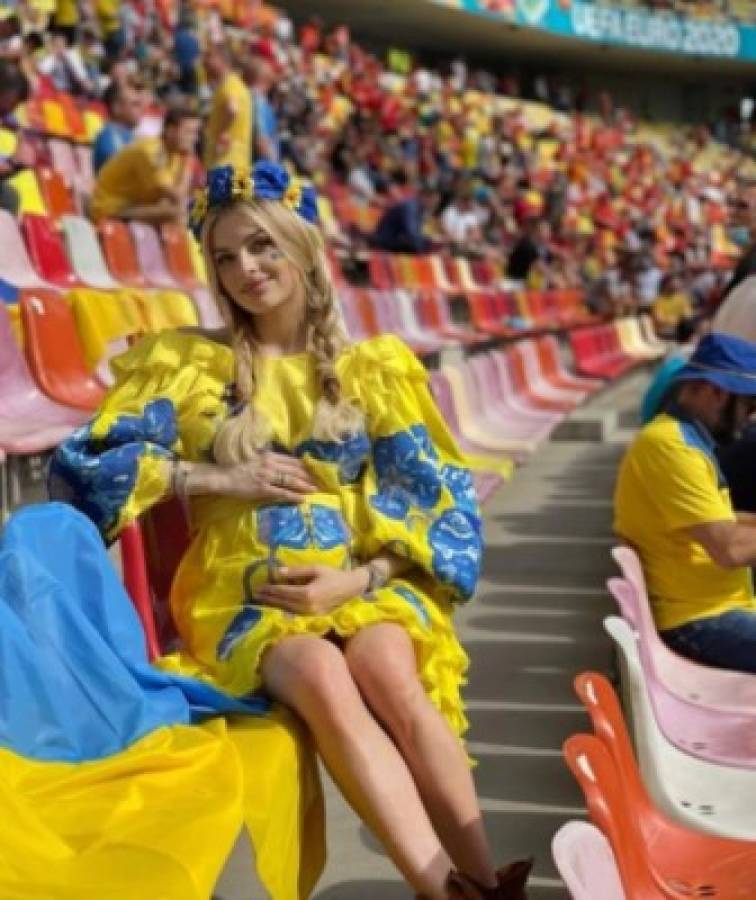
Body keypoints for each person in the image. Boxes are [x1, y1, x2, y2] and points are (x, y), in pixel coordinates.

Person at [50, 160, 532, 900]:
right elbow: (81, 469)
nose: (246, 269)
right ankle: (444, 891)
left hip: (354, 580)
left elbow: (441, 506)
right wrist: (212, 477)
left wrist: (358, 579)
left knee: (388, 671)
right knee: (321, 676)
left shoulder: (372, 370)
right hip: (244, 593)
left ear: (303, 248)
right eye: (225, 257)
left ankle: (491, 883)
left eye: (262, 246)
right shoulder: (188, 365)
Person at [614, 332, 756, 673]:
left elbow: (719, 521)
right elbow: (729, 550)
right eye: (750, 404)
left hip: (715, 610)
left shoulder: (681, 441)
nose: (750, 417)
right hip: (699, 621)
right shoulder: (671, 448)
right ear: (715, 392)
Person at [90, 104, 200, 224]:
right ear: (170, 131)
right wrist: (189, 160)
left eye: (196, 133)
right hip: (108, 207)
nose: (194, 139)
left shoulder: (176, 155)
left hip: (133, 205)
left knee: (177, 209)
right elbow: (178, 197)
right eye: (189, 132)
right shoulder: (151, 151)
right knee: (174, 211)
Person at [202, 43, 251, 172]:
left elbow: (232, 110)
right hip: (237, 161)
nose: (204, 61)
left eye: (209, 56)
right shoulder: (237, 84)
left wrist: (221, 133)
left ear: (222, 59)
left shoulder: (229, 85)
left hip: (224, 161)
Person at [370, 182, 440, 254]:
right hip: (385, 241)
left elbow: (416, 233)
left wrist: (429, 241)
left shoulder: (420, 210)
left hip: (396, 240)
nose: (434, 205)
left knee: (426, 246)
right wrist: (429, 242)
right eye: (434, 201)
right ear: (425, 197)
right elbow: (411, 233)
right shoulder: (410, 207)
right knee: (419, 246)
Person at [92, 79, 143, 173]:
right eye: (135, 104)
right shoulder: (109, 137)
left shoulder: (131, 137)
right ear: (117, 108)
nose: (141, 109)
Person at [0, 59, 30, 215]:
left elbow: (14, 124)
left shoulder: (6, 115)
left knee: (11, 196)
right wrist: (14, 162)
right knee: (9, 198)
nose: (12, 110)